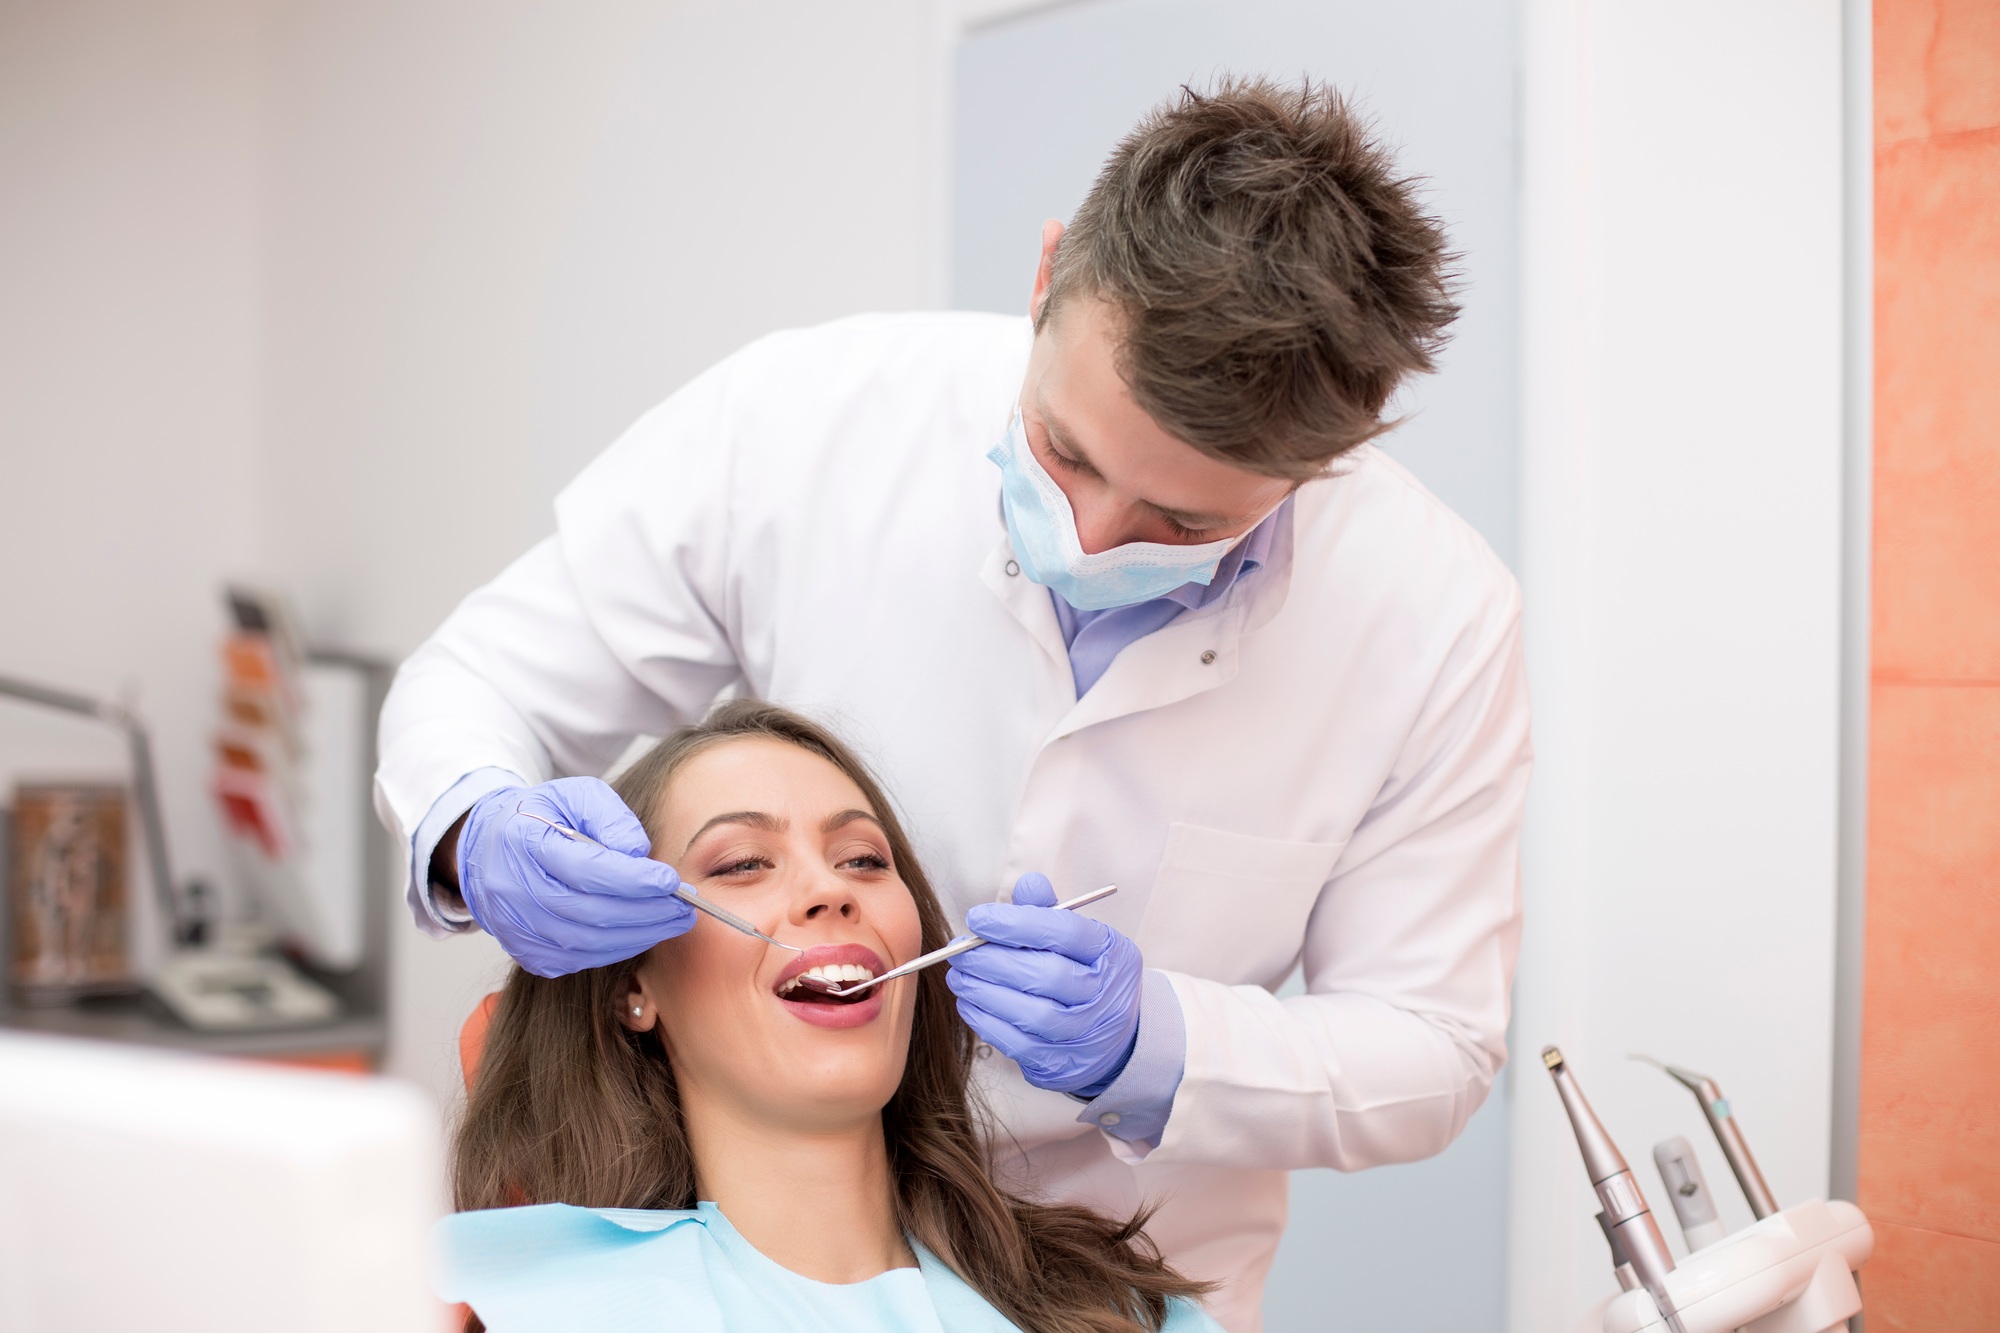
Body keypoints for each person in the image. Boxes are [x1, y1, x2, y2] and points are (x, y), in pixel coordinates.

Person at [379, 78, 1530, 1330]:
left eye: (1179, 524)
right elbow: (476, 682)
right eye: (1065, 453)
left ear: (1329, 458)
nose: (1089, 537)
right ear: (1046, 276)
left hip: (1109, 1280)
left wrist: (1157, 1043)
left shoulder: (1433, 617)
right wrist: (475, 825)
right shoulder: (805, 423)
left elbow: (1432, 1044)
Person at [438, 701, 1218, 1333]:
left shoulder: (1127, 1312)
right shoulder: (526, 1310)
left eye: (864, 859)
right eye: (742, 862)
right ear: (630, 988)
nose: (831, 891)